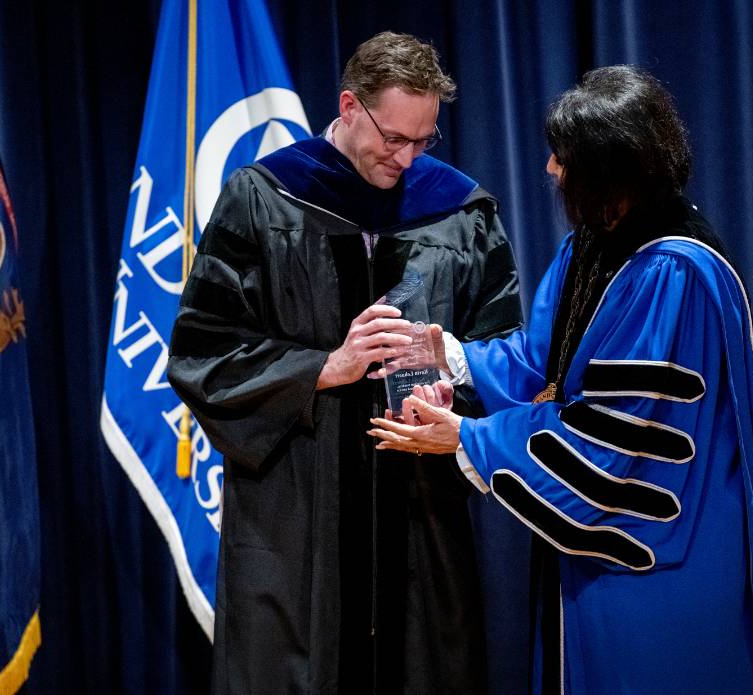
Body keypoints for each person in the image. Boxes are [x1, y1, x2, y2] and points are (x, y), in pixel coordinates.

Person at [368, 65, 753, 694]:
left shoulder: (672, 272)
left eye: (564, 156)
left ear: (610, 166)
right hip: (604, 559)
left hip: (661, 566)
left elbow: (619, 440)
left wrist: (468, 438)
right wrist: (450, 355)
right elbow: (541, 362)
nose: (550, 168)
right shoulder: (596, 243)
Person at [167, 31, 522, 695]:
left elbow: (506, 348)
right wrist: (326, 366)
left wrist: (456, 392)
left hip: (422, 518)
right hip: (297, 516)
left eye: (424, 140)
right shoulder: (264, 198)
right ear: (349, 106)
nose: (408, 159)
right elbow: (201, 351)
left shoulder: (459, 211)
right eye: (393, 137)